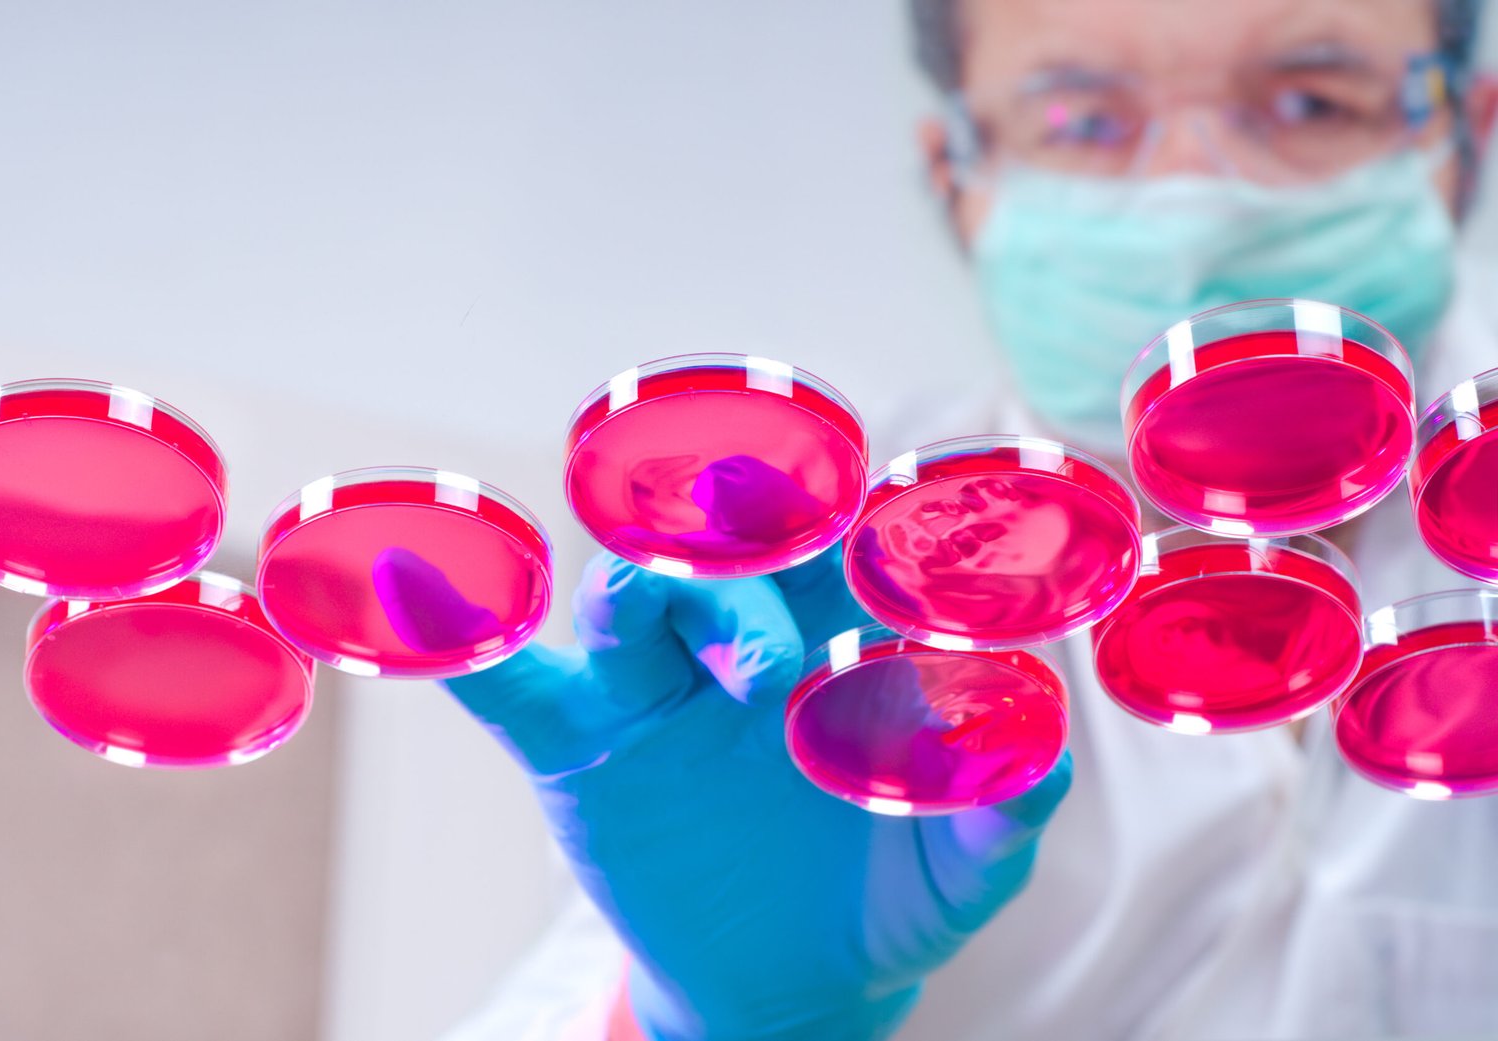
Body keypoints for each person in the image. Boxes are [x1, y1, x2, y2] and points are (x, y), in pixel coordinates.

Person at [427, 2, 1498, 1038]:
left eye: (1311, 102)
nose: (1197, 193)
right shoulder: (829, 572)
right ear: (957, 178)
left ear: (1466, 133)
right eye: (1083, 119)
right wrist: (704, 1024)